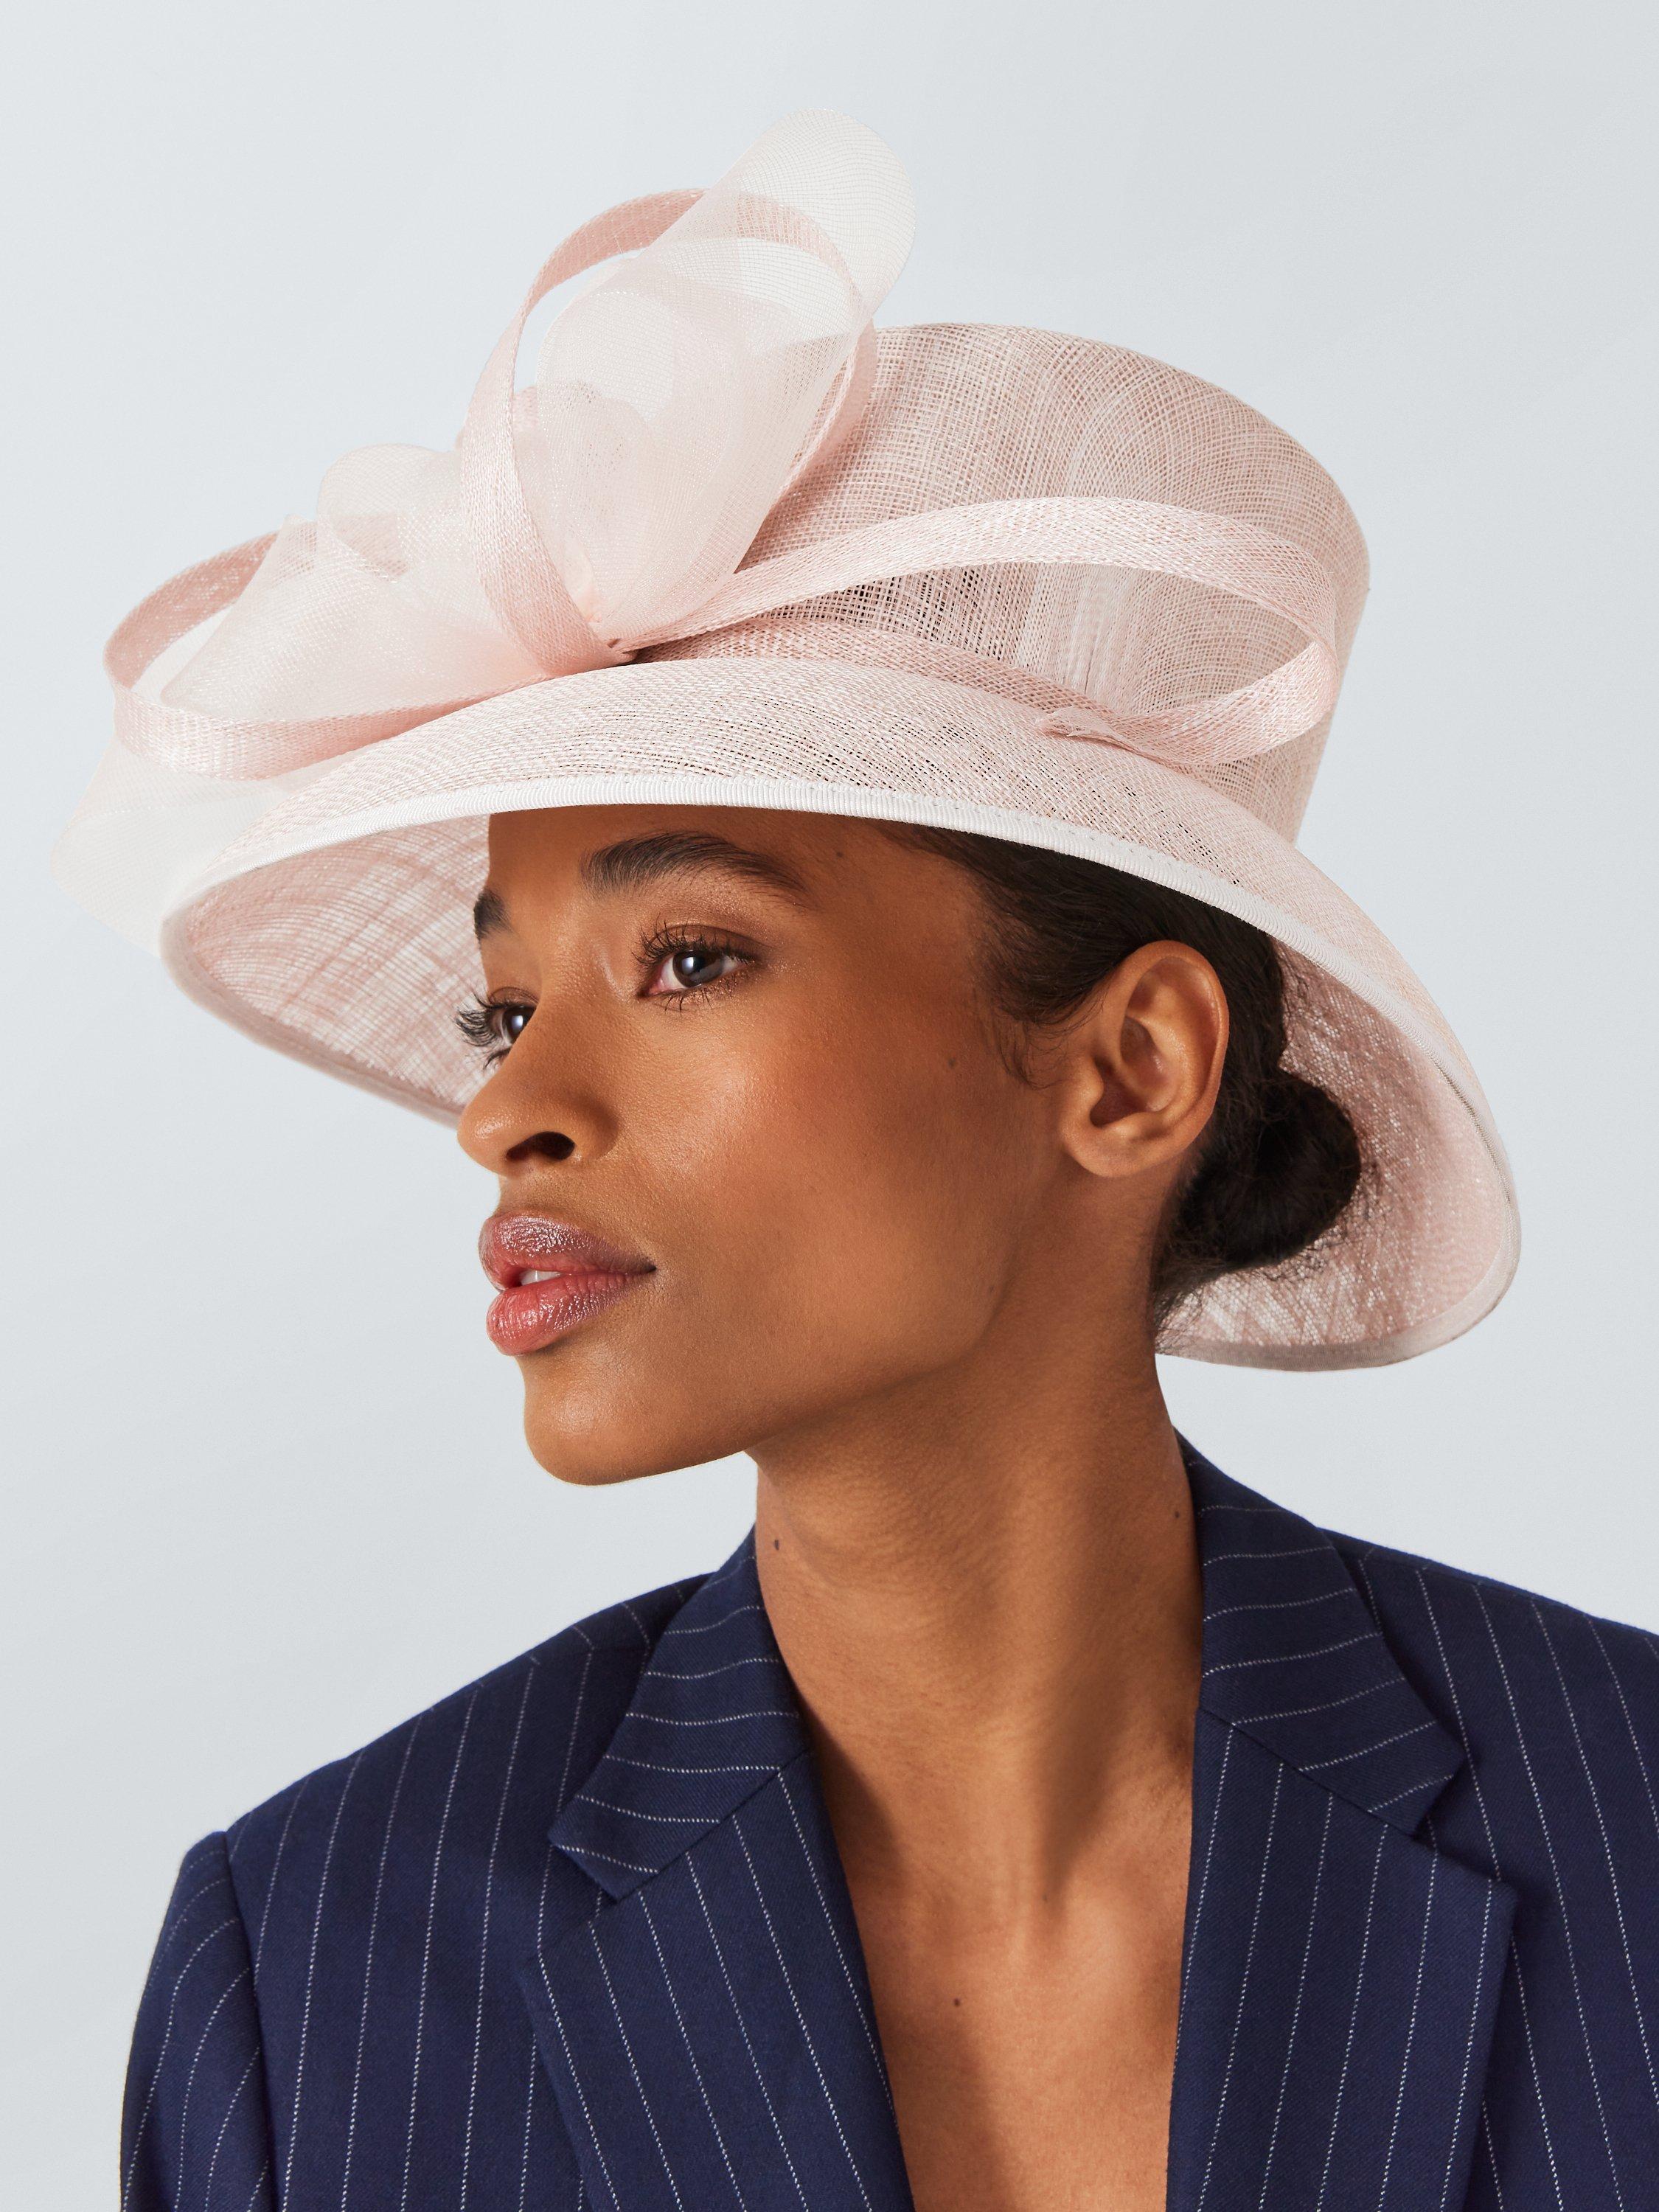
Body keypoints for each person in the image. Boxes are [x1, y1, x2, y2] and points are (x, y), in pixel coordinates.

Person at [55, 111, 1659, 2212]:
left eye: (689, 957)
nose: (506, 1111)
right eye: (501, 1009)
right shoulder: (319, 1975)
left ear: (1132, 1069)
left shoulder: (1629, 1833)